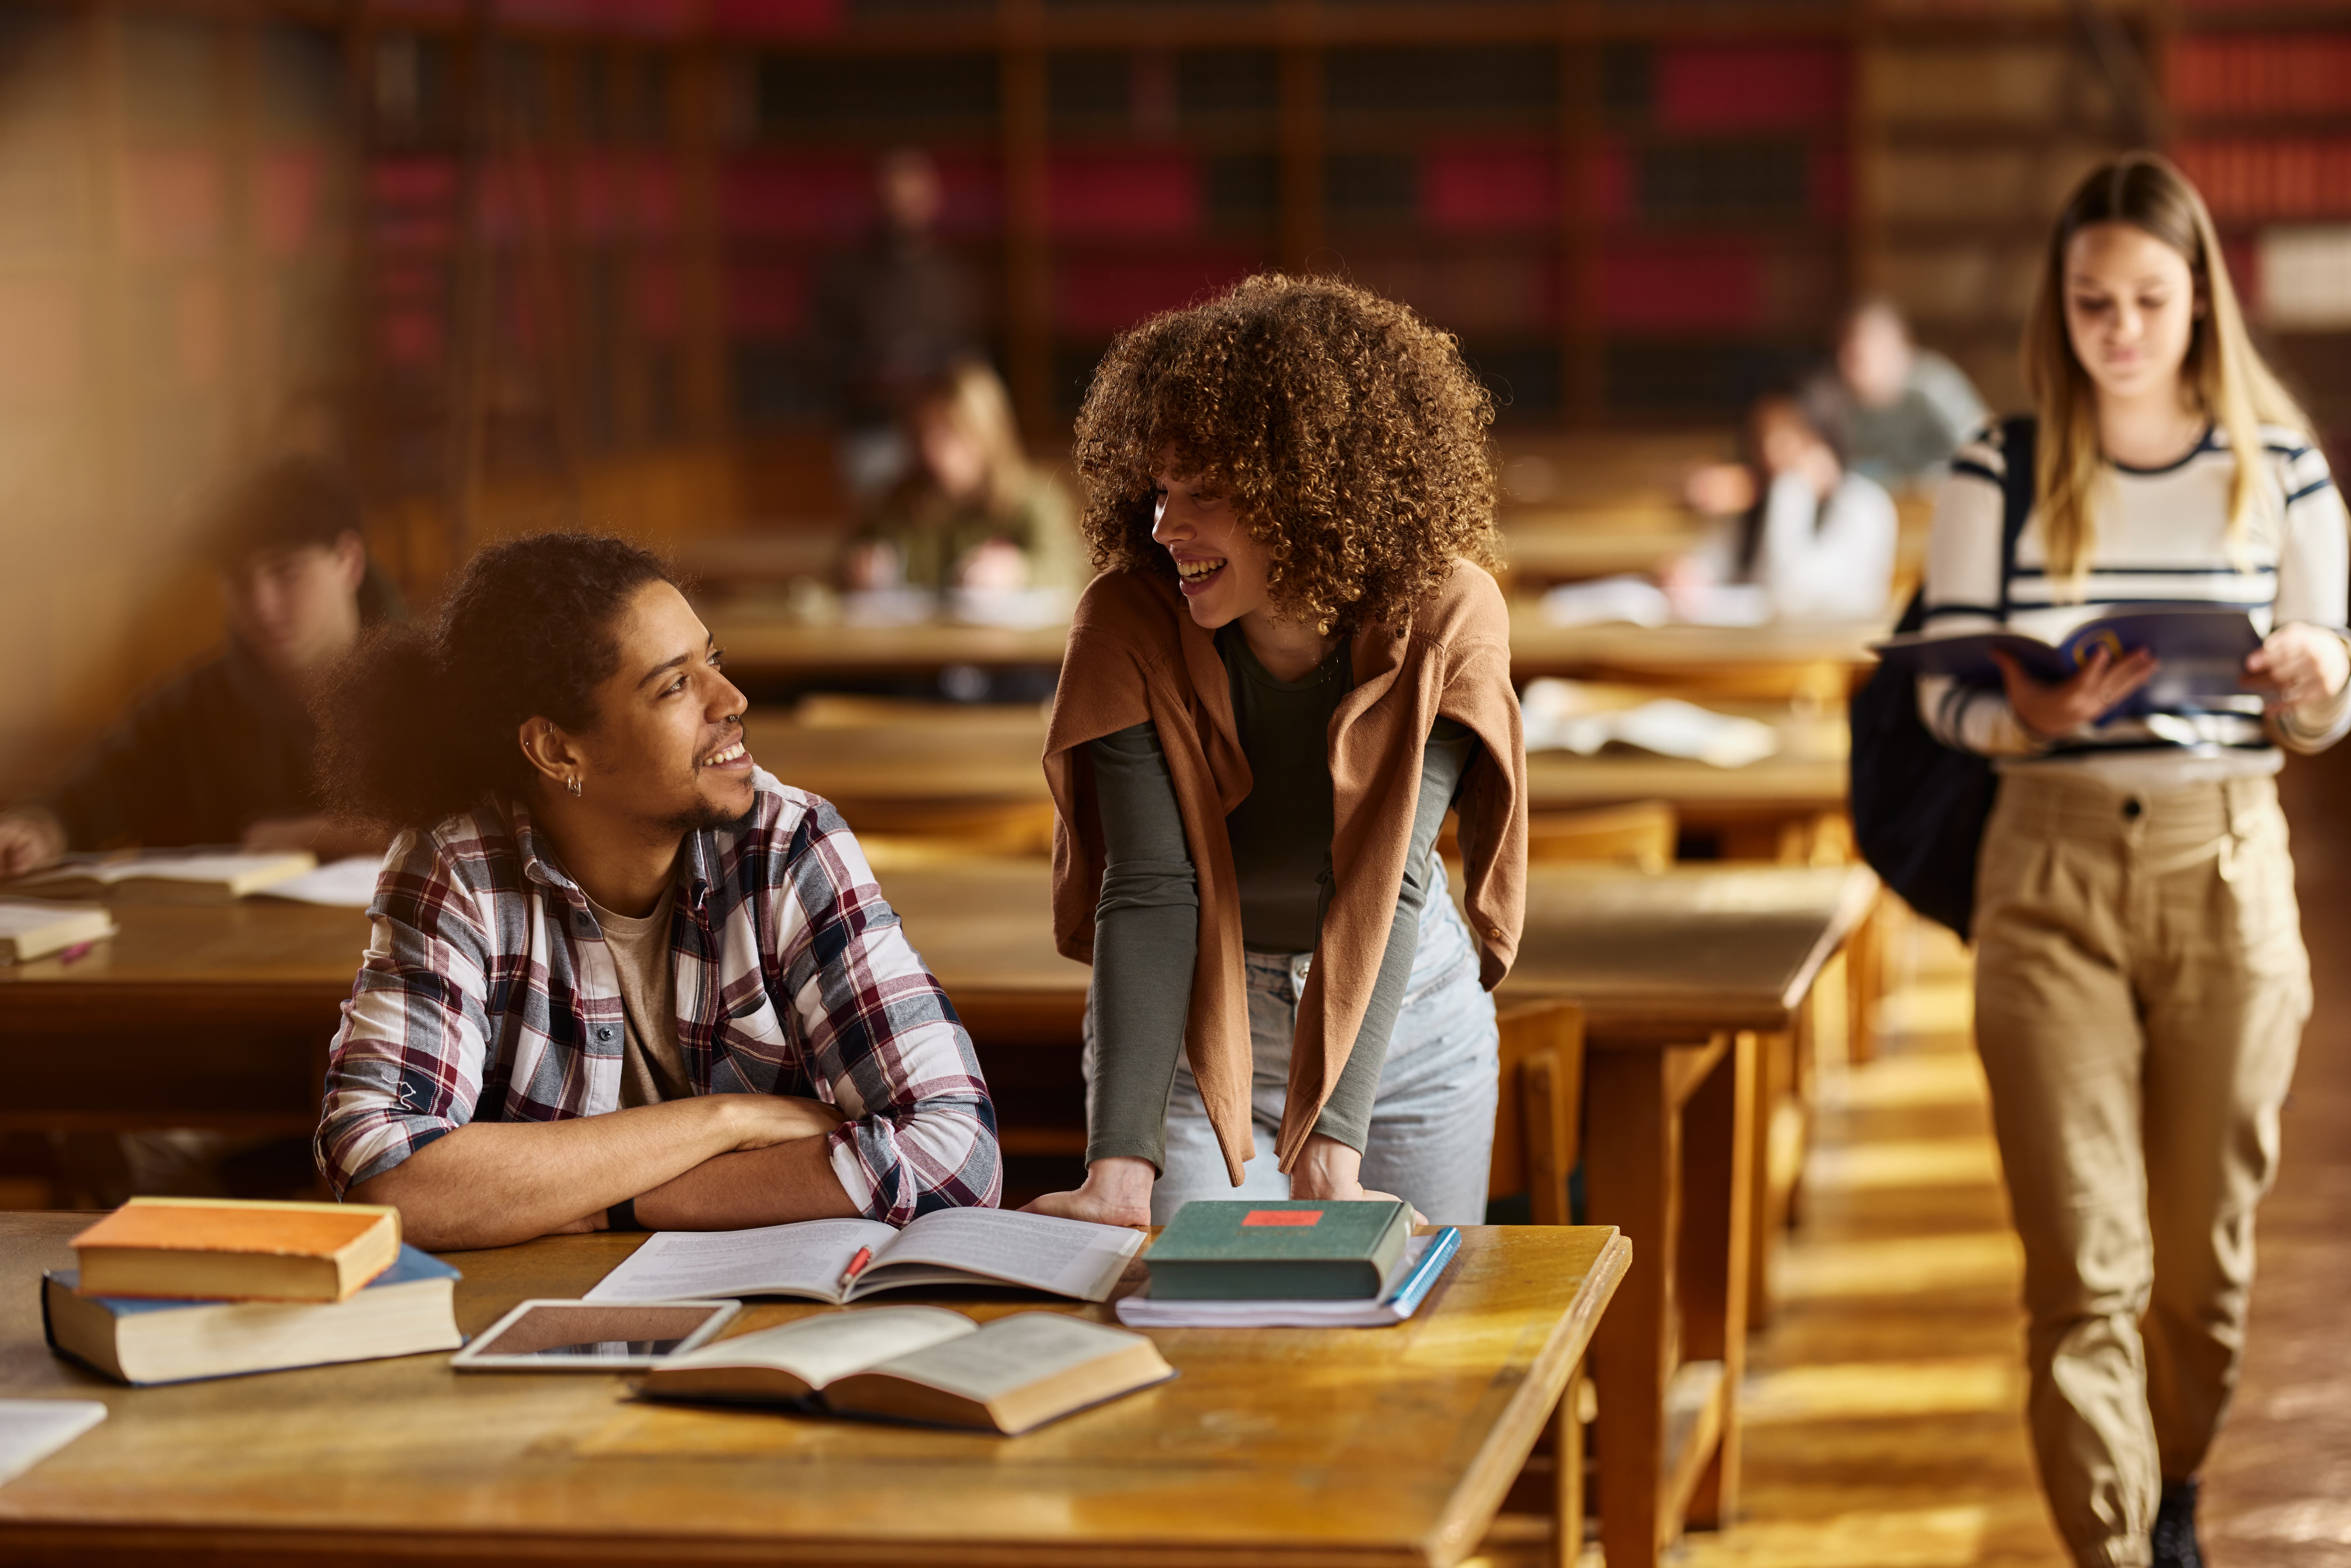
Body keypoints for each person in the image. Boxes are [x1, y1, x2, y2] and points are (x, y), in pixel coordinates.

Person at [1917, 154, 2348, 1568]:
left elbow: (2332, 699)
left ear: (2199, 306)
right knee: (2083, 1274)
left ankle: (2170, 1478)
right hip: (2045, 876)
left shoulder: (2279, 469)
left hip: (2226, 866)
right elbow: (1943, 694)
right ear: (2060, 307)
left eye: (2148, 301)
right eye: (2092, 302)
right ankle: (2116, 1547)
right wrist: (2018, 710)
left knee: (2201, 1273)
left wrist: (2309, 673)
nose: (2119, 330)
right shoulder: (1999, 465)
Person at [311, 533, 999, 1249]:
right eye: (674, 685)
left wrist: (608, 1204)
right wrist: (729, 1123)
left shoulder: (789, 843)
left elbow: (959, 1158)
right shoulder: (456, 870)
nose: (732, 699)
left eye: (714, 660)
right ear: (557, 749)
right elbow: (388, 1180)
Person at [1022, 275, 1529, 1230]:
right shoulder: (1127, 619)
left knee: (1414, 1353)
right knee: (1204, 1341)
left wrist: (1335, 1145)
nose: (1167, 527)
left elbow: (1392, 883)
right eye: (1161, 490)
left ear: (1308, 494)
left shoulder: (1446, 614)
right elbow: (1150, 886)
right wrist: (1117, 1171)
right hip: (1194, 1033)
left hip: (1407, 1028)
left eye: (1206, 494)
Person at [0, 455, 398, 876]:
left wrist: (295, 835)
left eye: (286, 573)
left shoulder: (436, 687)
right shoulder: (194, 705)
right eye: (239, 581)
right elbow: (86, 799)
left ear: (348, 561)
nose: (262, 605)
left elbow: (462, 825)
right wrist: (37, 832)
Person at [841, 359, 1086, 603]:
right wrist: (859, 570)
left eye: (950, 432)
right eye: (922, 433)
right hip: (916, 641)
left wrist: (1019, 572)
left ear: (986, 432)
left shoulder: (1036, 498)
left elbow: (1071, 575)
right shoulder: (897, 502)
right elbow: (838, 572)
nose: (931, 450)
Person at [813, 148, 979, 503]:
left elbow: (970, 360)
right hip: (873, 435)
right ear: (876, 199)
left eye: (913, 196)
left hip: (942, 435)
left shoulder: (948, 278)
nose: (902, 207)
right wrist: (874, 375)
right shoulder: (845, 276)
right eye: (893, 196)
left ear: (933, 200)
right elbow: (820, 360)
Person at [1674, 390, 1900, 622]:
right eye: (1762, 436)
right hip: (1758, 649)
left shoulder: (1864, 506)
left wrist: (1792, 490)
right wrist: (1690, 574)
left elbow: (1792, 594)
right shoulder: (1763, 501)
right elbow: (1712, 562)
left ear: (1823, 434)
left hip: (1831, 653)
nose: (1771, 451)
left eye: (1788, 435)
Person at [1805, 295, 1989, 491]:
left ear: (1895, 346)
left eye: (1857, 356)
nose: (1846, 365)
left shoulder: (1933, 388)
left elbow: (1984, 447)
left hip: (1940, 500)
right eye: (1844, 353)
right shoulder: (1838, 396)